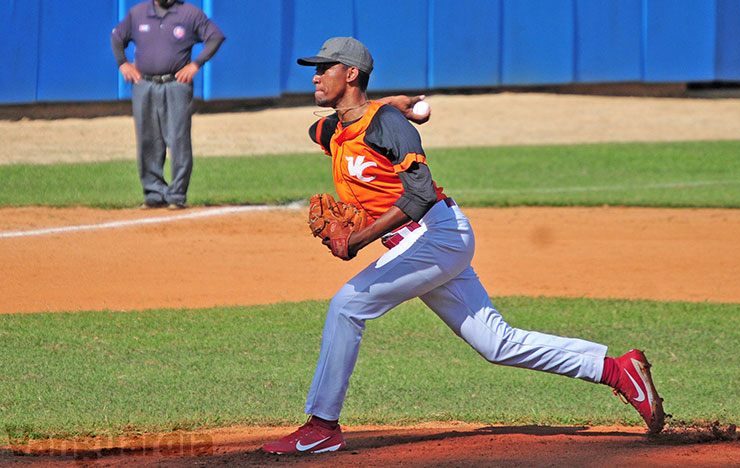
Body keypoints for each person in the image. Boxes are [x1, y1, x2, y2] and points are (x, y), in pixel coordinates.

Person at [261, 36, 665, 455]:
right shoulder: (337, 128)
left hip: (437, 234)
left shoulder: (389, 126)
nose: (315, 76)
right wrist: (385, 103)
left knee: (347, 306)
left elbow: (419, 197)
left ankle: (323, 425)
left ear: (350, 74)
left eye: (324, 68)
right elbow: (322, 128)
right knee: (497, 343)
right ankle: (617, 371)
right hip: (419, 245)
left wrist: (358, 239)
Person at [111, 0, 225, 209]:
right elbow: (117, 36)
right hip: (144, 84)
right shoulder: (138, 13)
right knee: (148, 138)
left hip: (176, 84)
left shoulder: (189, 13)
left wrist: (195, 64)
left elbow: (215, 36)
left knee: (178, 138)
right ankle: (154, 193)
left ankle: (177, 195)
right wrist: (122, 63)